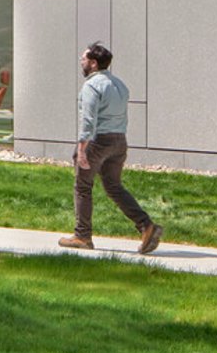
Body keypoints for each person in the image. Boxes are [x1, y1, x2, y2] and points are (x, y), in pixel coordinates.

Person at [59, 41, 162, 255]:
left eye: (84, 58)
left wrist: (81, 148)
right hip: (119, 141)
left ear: (94, 64)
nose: (81, 61)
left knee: (83, 186)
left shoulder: (91, 85)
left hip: (98, 141)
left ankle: (82, 236)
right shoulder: (119, 84)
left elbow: (88, 119)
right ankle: (146, 225)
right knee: (114, 186)